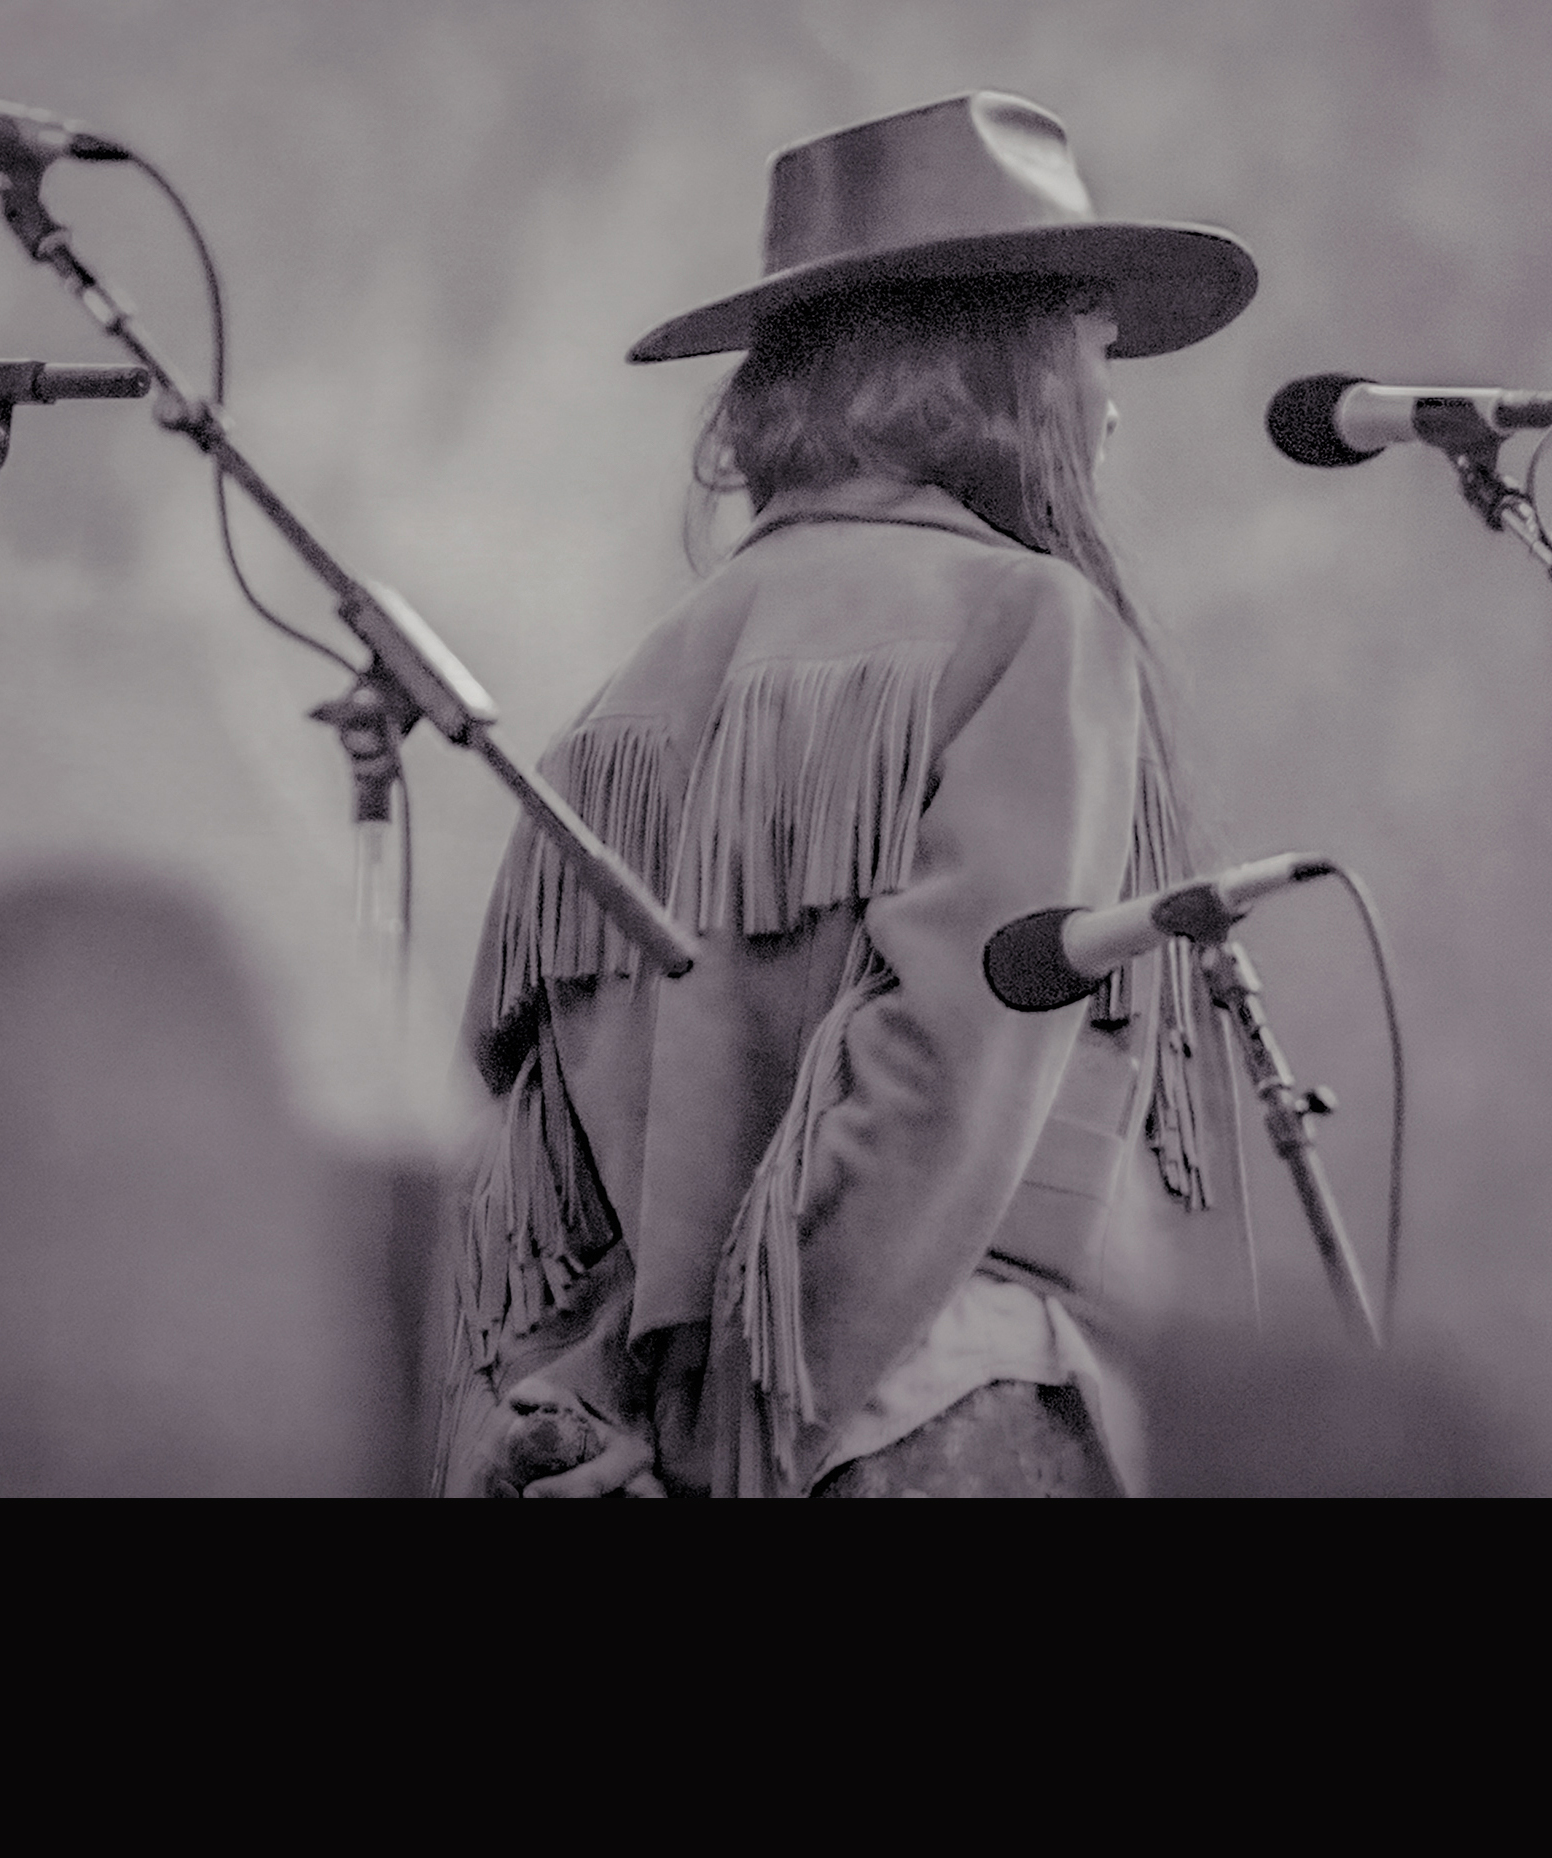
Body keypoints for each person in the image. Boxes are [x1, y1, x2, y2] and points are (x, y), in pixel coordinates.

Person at [434, 92, 1261, 1498]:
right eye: (1087, 341)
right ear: (997, 363)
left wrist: (623, 1404)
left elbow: (536, 1164)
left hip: (651, 1440)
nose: (1109, 399)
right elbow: (946, 1067)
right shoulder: (1030, 623)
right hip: (930, 1405)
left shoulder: (617, 707)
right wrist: (748, 1426)